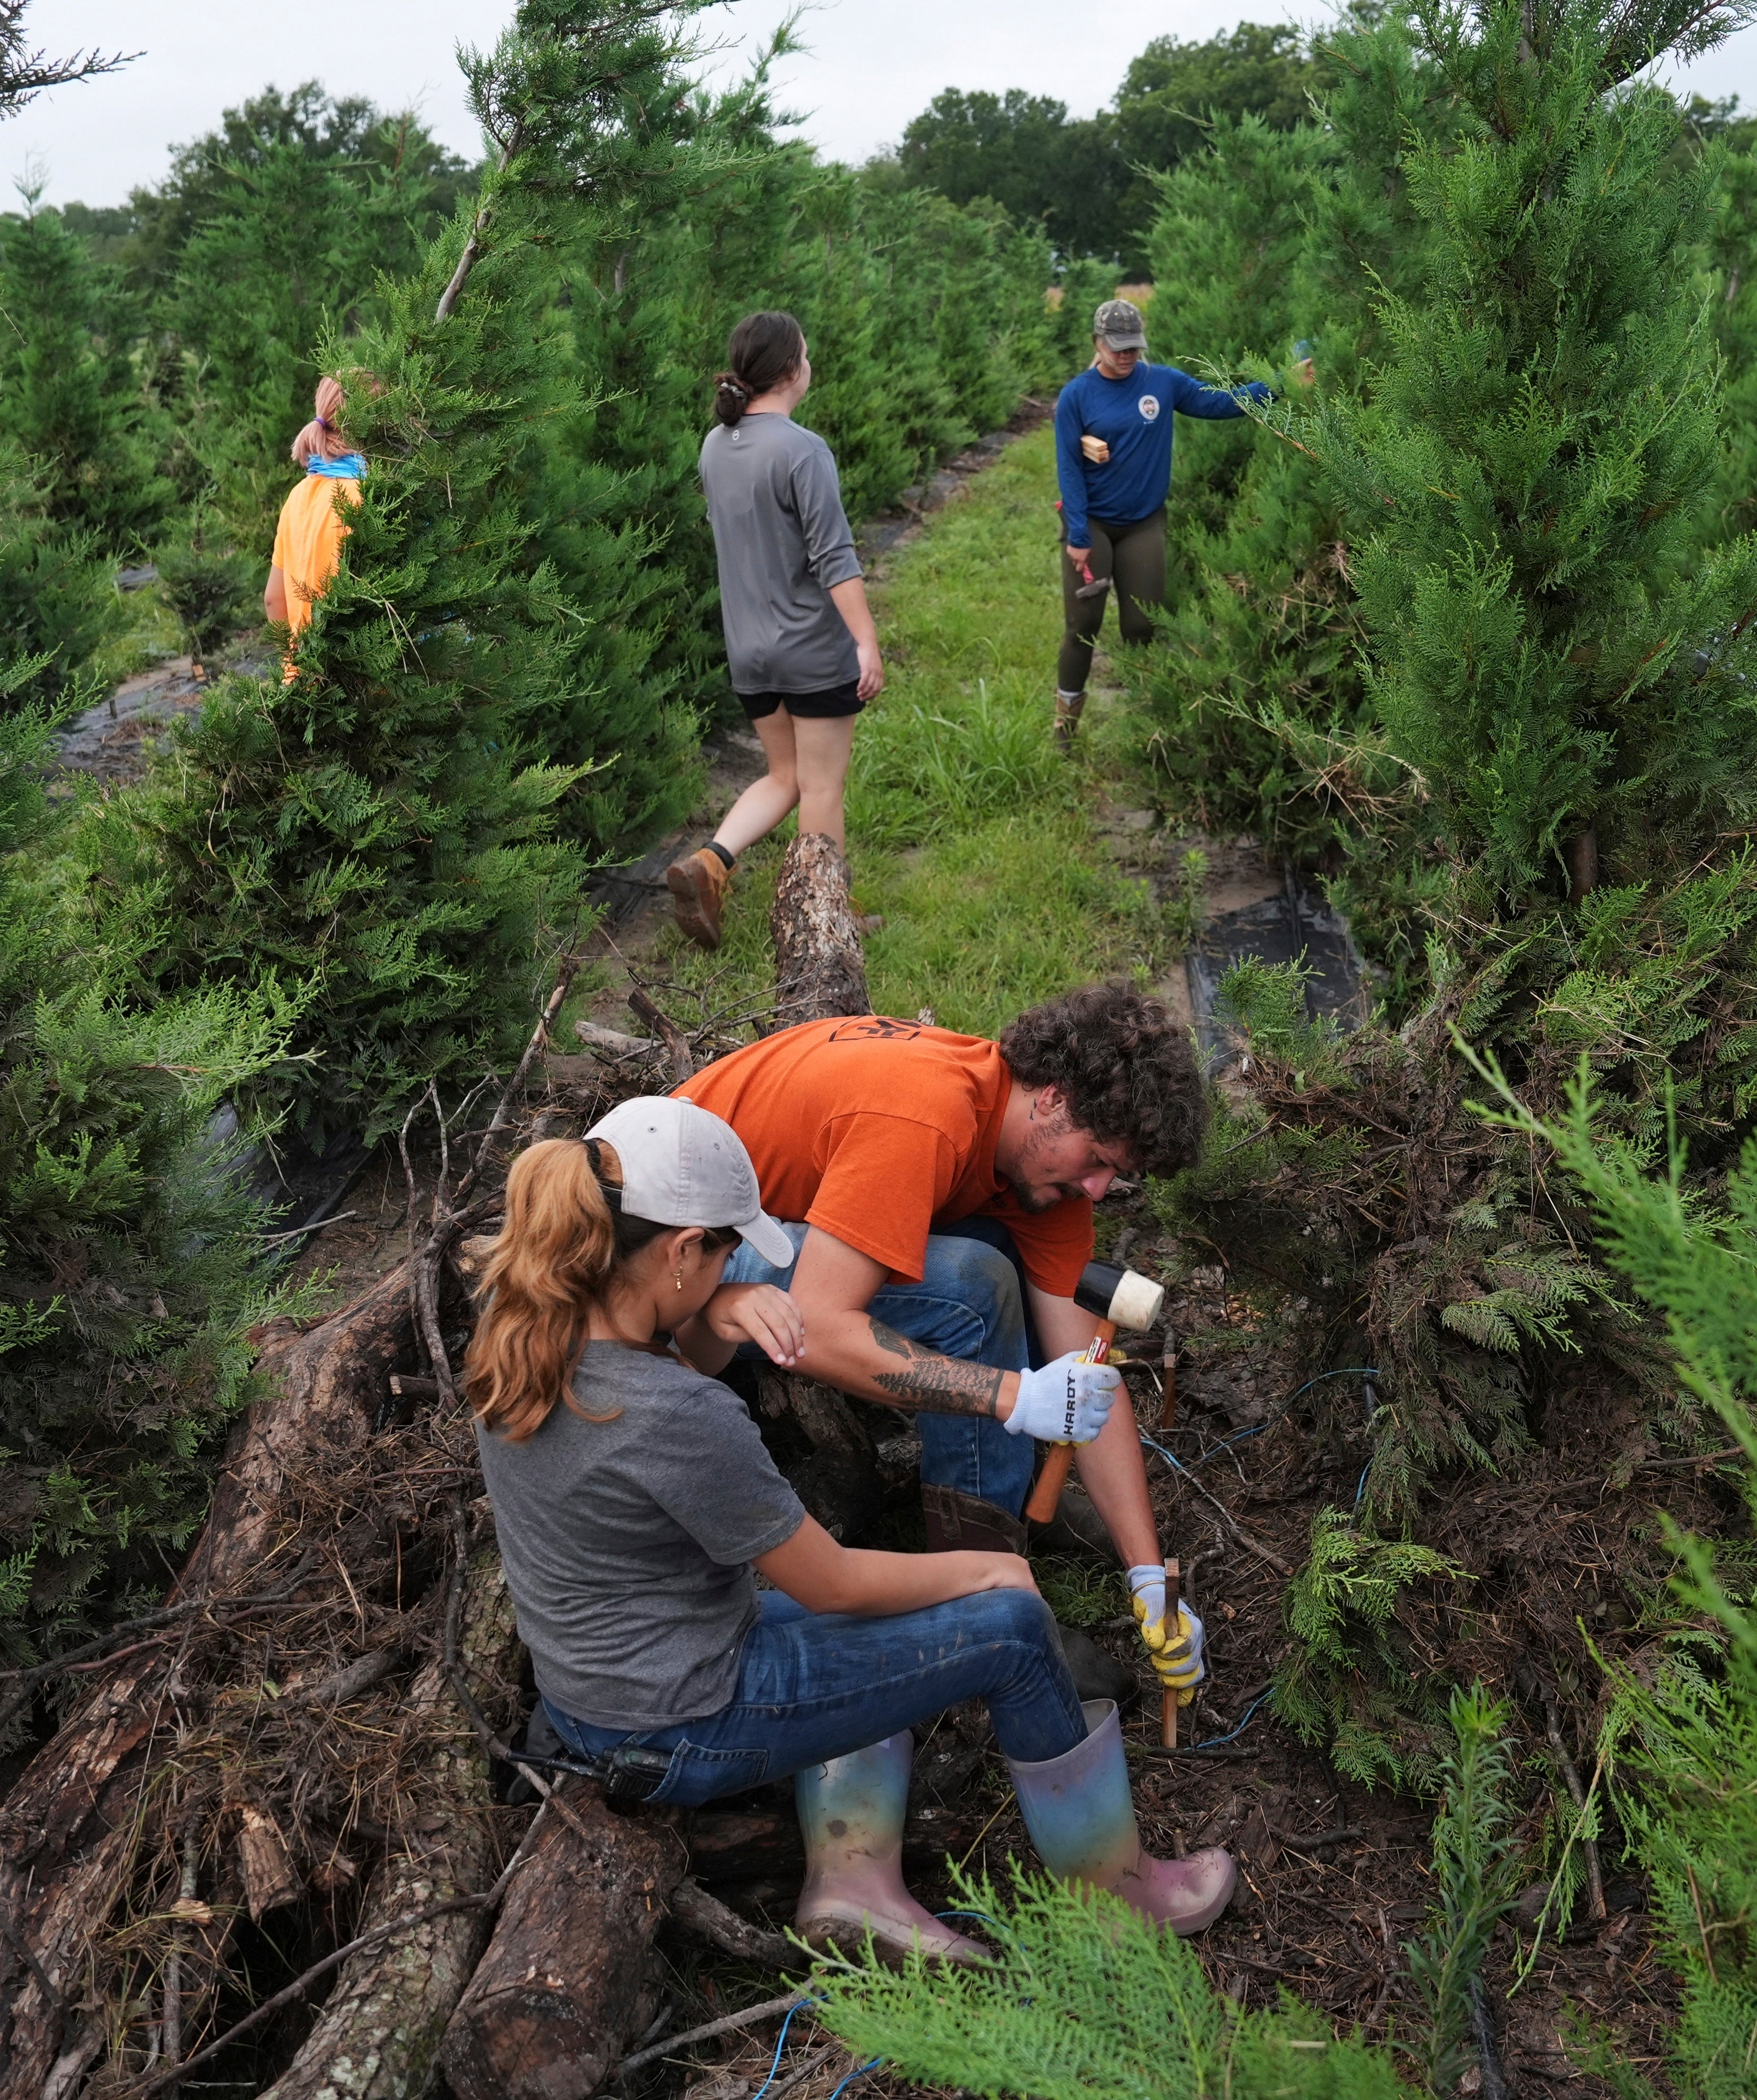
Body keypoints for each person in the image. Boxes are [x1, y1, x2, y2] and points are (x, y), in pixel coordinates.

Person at [468, 1095, 1236, 1963]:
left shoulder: (525, 1332)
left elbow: (664, 1364)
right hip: (685, 1718)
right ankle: (1117, 1897)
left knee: (891, 1631)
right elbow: (827, 1582)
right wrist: (988, 1573)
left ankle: (854, 1883)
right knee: (1014, 1628)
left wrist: (719, 1314)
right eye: (726, 1252)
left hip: (606, 1692)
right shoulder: (674, 1415)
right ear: (681, 1253)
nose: (735, 1270)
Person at [674, 985, 1212, 1709]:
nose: (1099, 1186)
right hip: (664, 1259)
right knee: (974, 1282)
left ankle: (1003, 1504)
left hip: (754, 1228)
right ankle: (986, 1608)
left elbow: (1086, 1381)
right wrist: (1017, 1399)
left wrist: (1149, 1576)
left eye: (1115, 1174)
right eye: (1098, 1160)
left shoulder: (1038, 1169)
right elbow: (819, 1328)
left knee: (1000, 1255)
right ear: (1052, 1099)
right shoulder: (925, 1115)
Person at [665, 312, 886, 949]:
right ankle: (825, 923)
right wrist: (865, 641)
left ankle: (709, 863)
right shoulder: (800, 449)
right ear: (792, 371)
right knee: (821, 785)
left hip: (750, 650)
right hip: (812, 649)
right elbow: (834, 558)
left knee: (784, 775)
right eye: (808, 356)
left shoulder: (715, 445)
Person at [1049, 298, 1276, 748]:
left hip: (1143, 524)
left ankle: (1146, 721)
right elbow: (1069, 469)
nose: (1126, 354)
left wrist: (1277, 387)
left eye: (1133, 346)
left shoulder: (1163, 383)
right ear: (1097, 343)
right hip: (1091, 525)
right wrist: (1077, 534)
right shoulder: (1078, 395)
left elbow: (1219, 404)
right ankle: (1065, 726)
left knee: (1143, 625)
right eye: (1116, 347)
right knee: (1083, 627)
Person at [264, 374, 365, 679]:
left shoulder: (297, 495)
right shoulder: (367, 497)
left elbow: (273, 598)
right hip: (359, 689)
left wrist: (294, 663)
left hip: (303, 683)